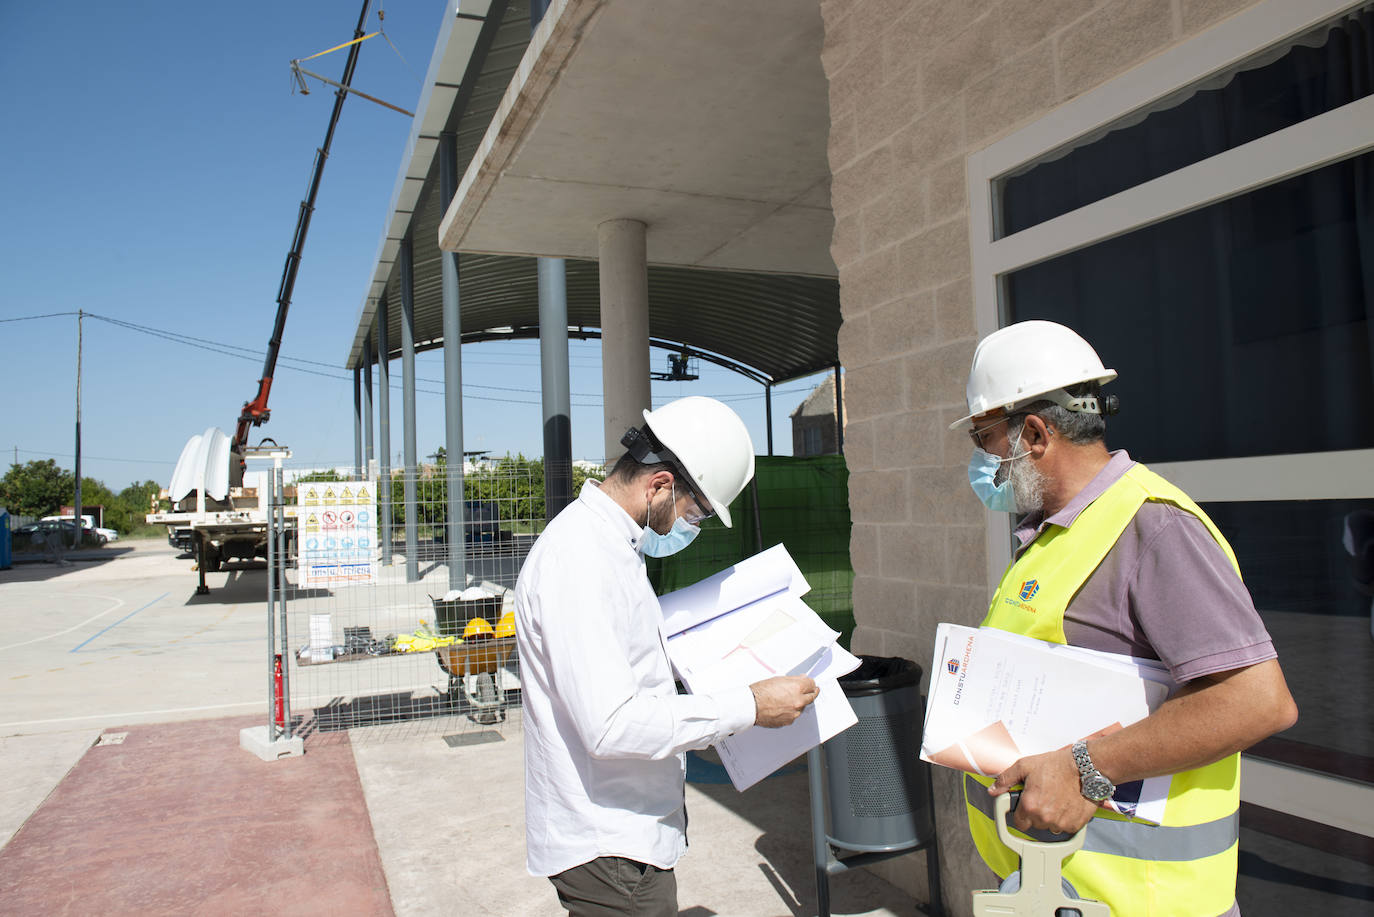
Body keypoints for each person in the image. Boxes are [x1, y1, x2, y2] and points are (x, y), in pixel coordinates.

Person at [950, 320, 1298, 917]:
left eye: (984, 438)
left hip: (1144, 901)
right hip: (1057, 887)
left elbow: (1258, 701)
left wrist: (1086, 768)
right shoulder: (1051, 534)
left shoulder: (1153, 528)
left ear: (1034, 433)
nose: (983, 462)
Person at [514, 395, 820, 916]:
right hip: (610, 848)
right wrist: (747, 705)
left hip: (623, 835)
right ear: (660, 484)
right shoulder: (582, 561)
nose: (691, 527)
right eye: (694, 511)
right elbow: (611, 725)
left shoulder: (609, 547)